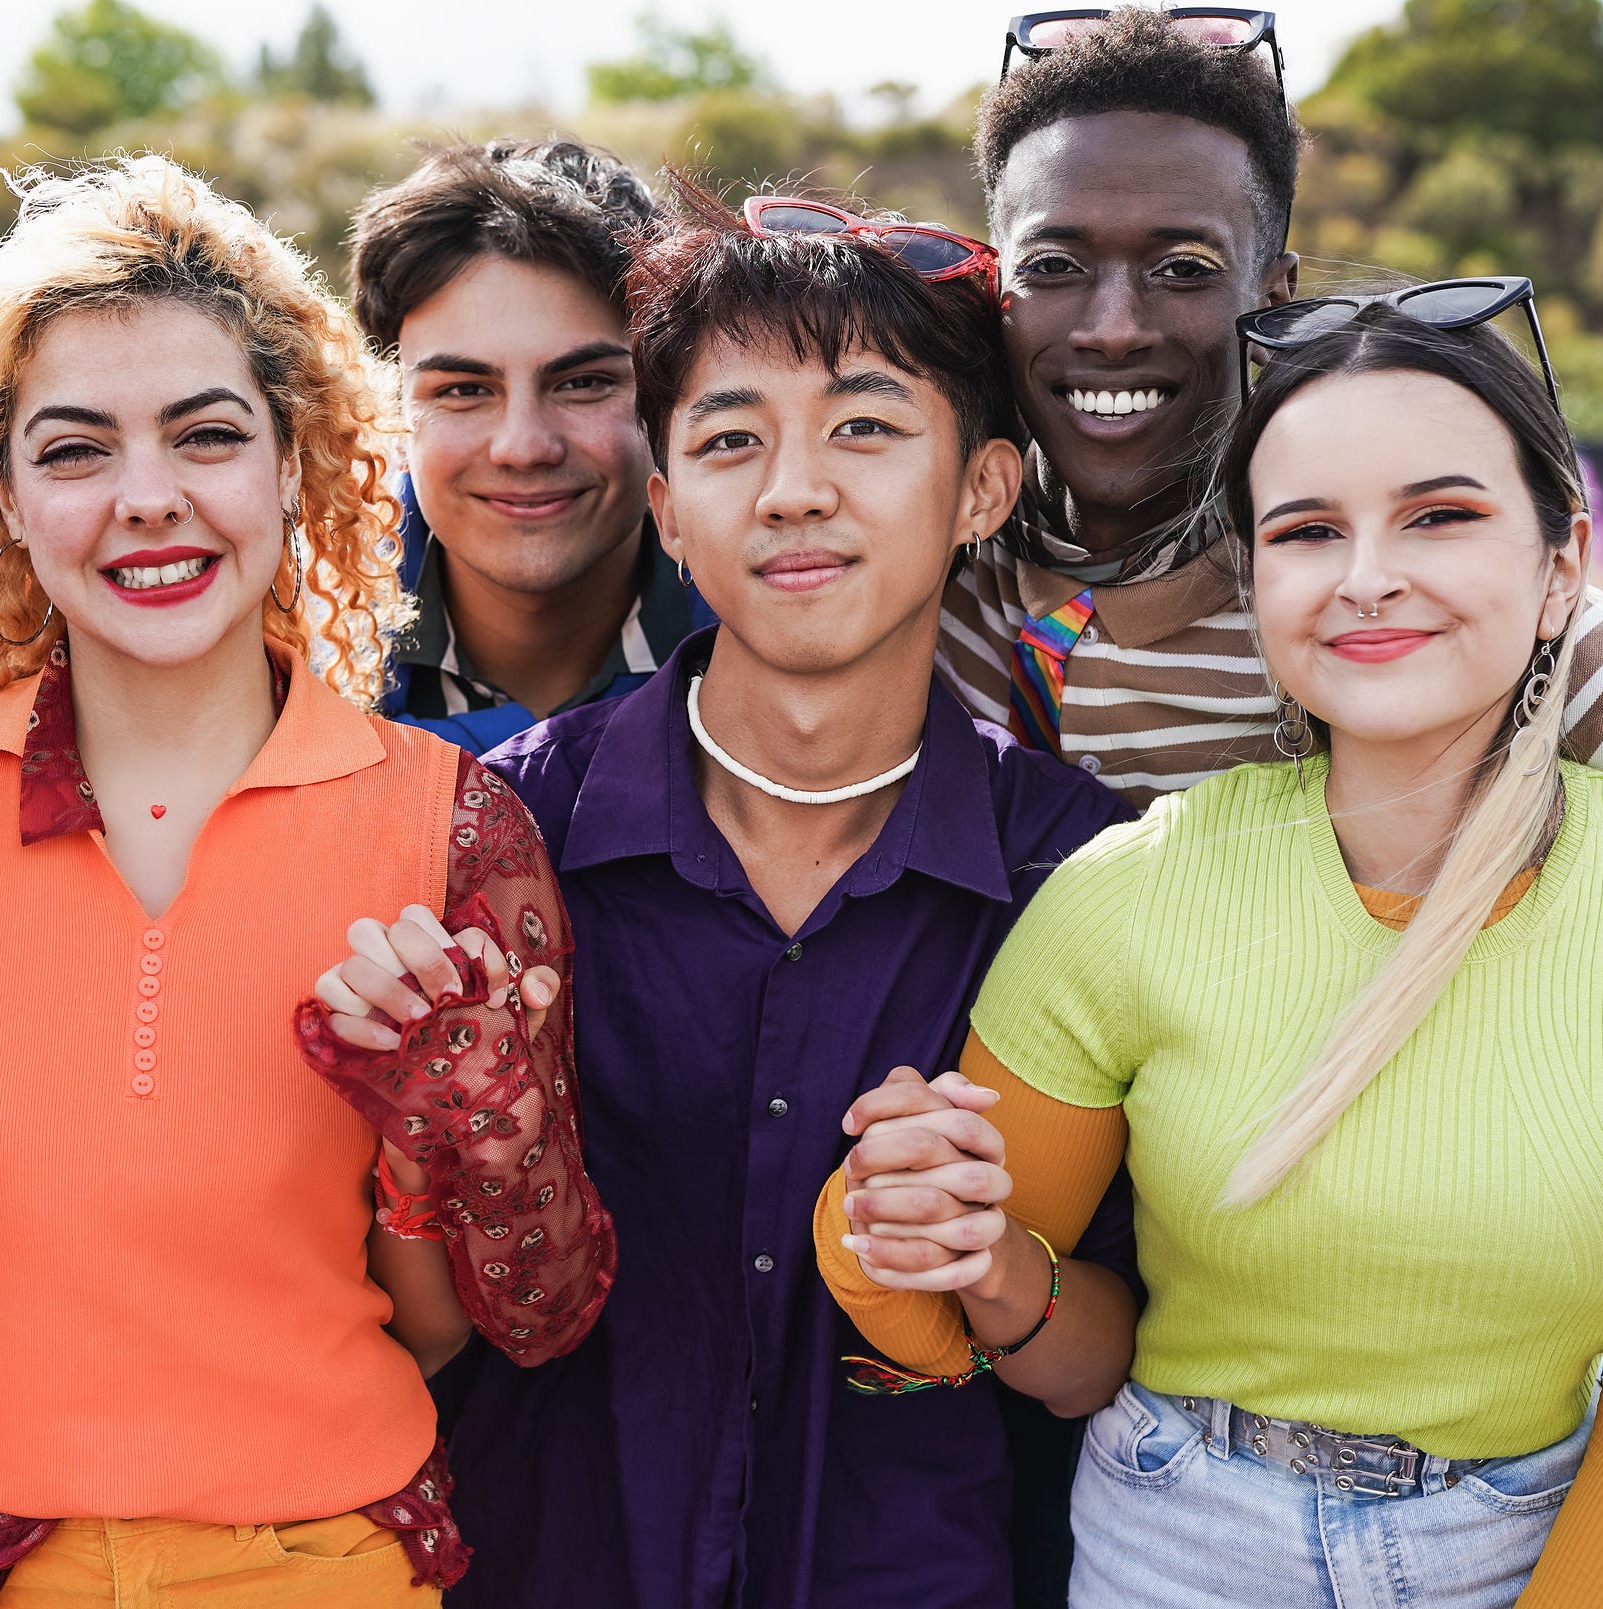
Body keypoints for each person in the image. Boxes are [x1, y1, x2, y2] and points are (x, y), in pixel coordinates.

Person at [0, 154, 615, 1609]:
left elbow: (533, 1316)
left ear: (296, 462)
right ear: (2, 494)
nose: (147, 501)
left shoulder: (455, 825)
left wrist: (452, 1099)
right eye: (76, 450)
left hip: (321, 1566)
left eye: (206, 437)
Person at [821, 298, 1603, 1608]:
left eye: (1441, 516)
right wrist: (881, 1226)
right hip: (1173, 1544)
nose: (1368, 573)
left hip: (1528, 1554)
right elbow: (977, 1337)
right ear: (1261, 590)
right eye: (1309, 532)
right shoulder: (1128, 894)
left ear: (1561, 571)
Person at [314, 176, 1131, 1607]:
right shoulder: (495, 834)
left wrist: (990, 1265)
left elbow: (1103, 1363)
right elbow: (385, 1314)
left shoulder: (1083, 873)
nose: (796, 487)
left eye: (866, 428)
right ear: (669, 505)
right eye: (730, 438)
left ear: (984, 488)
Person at [939, 8, 1603, 818]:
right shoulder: (934, 540)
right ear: (997, 285)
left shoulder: (1353, 579)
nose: (1112, 328)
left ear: (1271, 295)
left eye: (1183, 268)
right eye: (1054, 265)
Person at [349, 137, 707, 752]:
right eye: (463, 390)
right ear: (390, 409)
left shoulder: (779, 637)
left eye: (585, 383)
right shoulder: (284, 664)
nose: (523, 447)